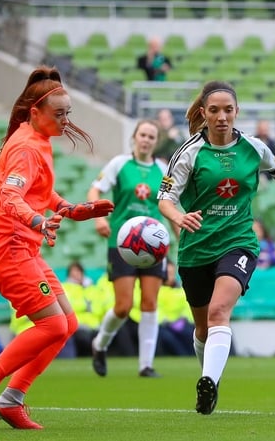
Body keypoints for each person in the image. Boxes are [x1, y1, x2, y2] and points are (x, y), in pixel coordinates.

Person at [157, 80, 275, 415]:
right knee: (203, 328)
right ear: (203, 113)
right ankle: (208, 377)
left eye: (228, 110)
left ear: (237, 112)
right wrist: (179, 217)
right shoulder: (189, 151)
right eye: (214, 110)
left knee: (220, 312)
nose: (222, 117)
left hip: (239, 243)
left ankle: (209, 383)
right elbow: (165, 198)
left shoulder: (254, 148)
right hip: (196, 250)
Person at [0, 66, 115, 431]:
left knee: (67, 324)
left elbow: (39, 192)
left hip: (21, 248)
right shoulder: (28, 149)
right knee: (51, 324)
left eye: (68, 114)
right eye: (58, 114)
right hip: (6, 247)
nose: (65, 121)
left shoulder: (33, 138)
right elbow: (11, 195)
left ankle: (11, 399)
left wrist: (71, 210)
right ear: (36, 113)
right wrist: (37, 221)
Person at [88, 119, 173, 379]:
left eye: (151, 136)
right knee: (123, 306)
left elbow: (169, 205)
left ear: (156, 142)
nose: (146, 140)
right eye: (143, 135)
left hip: (155, 247)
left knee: (150, 302)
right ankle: (99, 344)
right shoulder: (119, 164)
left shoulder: (164, 170)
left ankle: (145, 365)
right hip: (122, 244)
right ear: (134, 138)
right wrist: (99, 218)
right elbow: (94, 191)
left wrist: (180, 238)